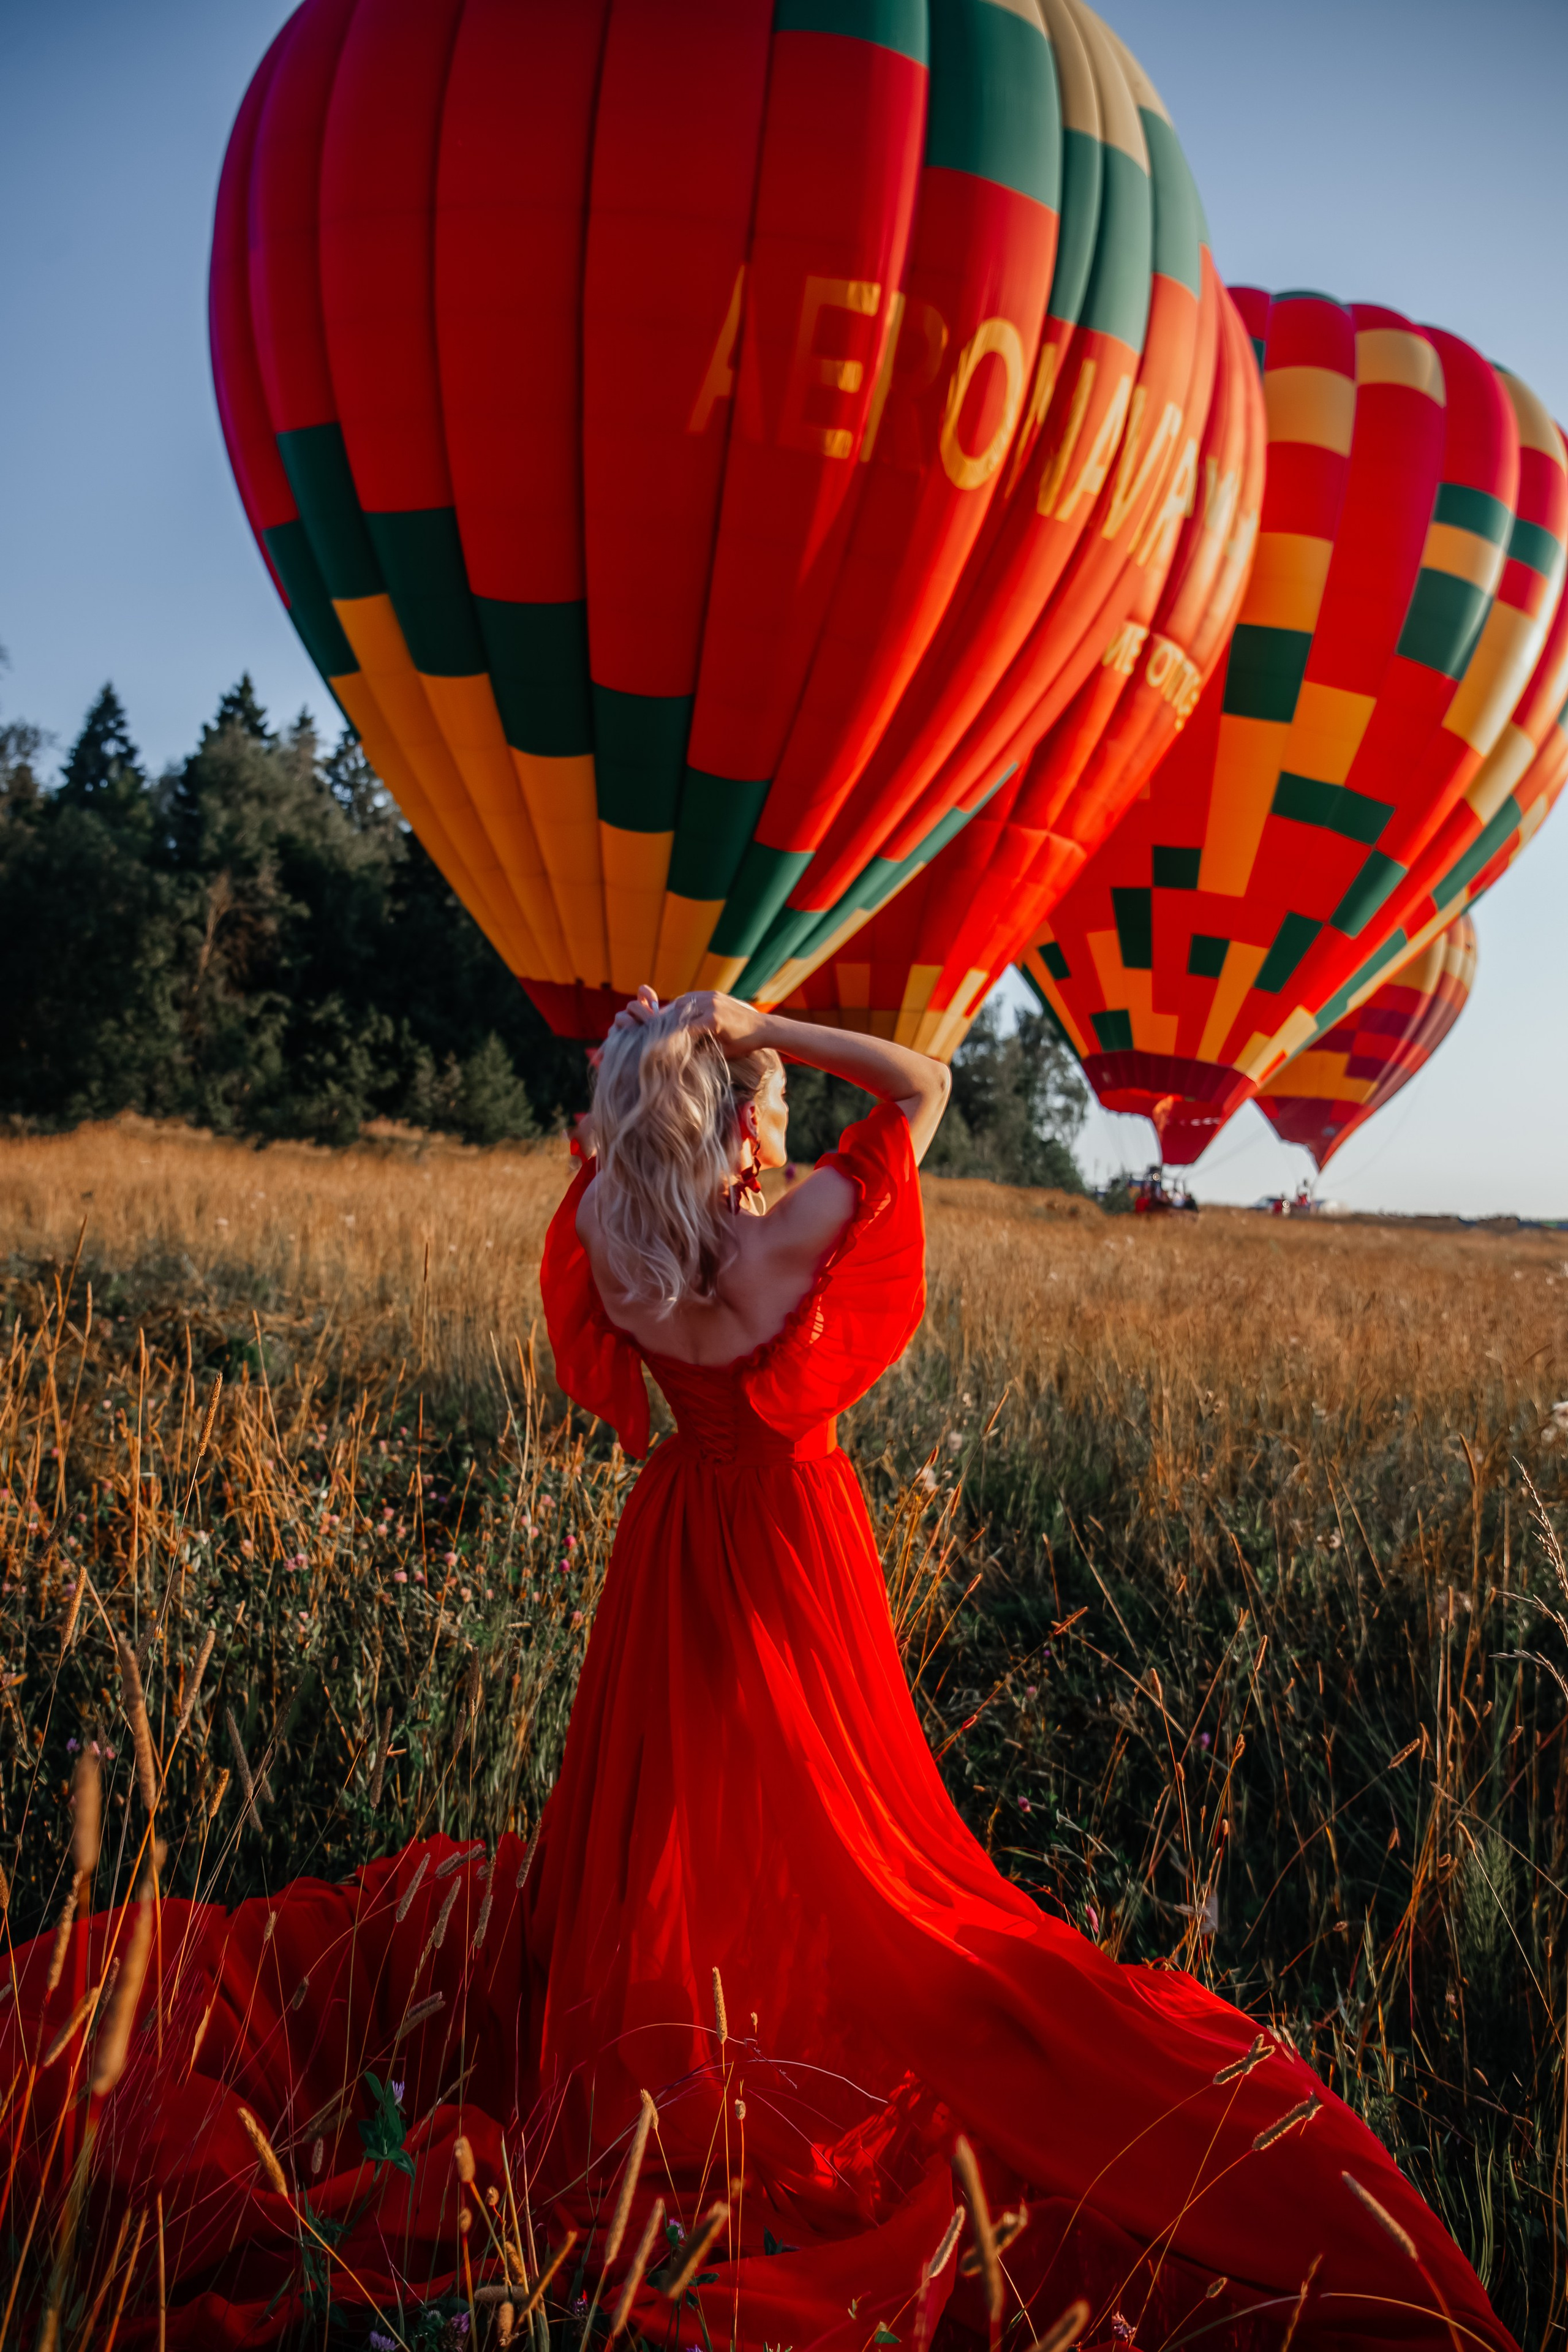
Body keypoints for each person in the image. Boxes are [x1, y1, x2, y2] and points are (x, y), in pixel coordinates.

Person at [0, 989, 1512, 2351]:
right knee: (832, 1811)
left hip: (674, 1534)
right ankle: (783, 2018)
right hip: (790, 1536)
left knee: (670, 1802)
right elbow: (919, 1087)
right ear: (731, 1114)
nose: (783, 1114)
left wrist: (672, 1065)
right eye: (766, 1103)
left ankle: (674, 2019)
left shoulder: (614, 1227)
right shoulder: (779, 1237)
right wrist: (764, 1022)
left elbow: (619, 1200)